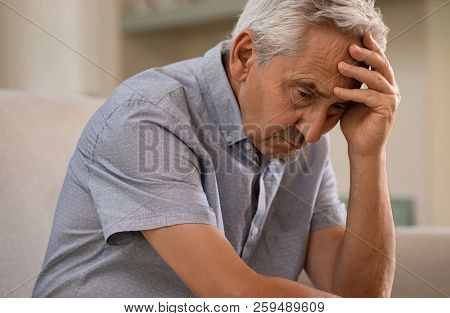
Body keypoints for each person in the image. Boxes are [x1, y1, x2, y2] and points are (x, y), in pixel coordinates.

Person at [33, 0, 400, 298]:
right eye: (304, 94)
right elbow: (234, 295)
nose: (315, 131)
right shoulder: (149, 116)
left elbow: (360, 298)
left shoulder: (304, 139)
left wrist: (370, 153)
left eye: (336, 109)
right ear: (245, 56)